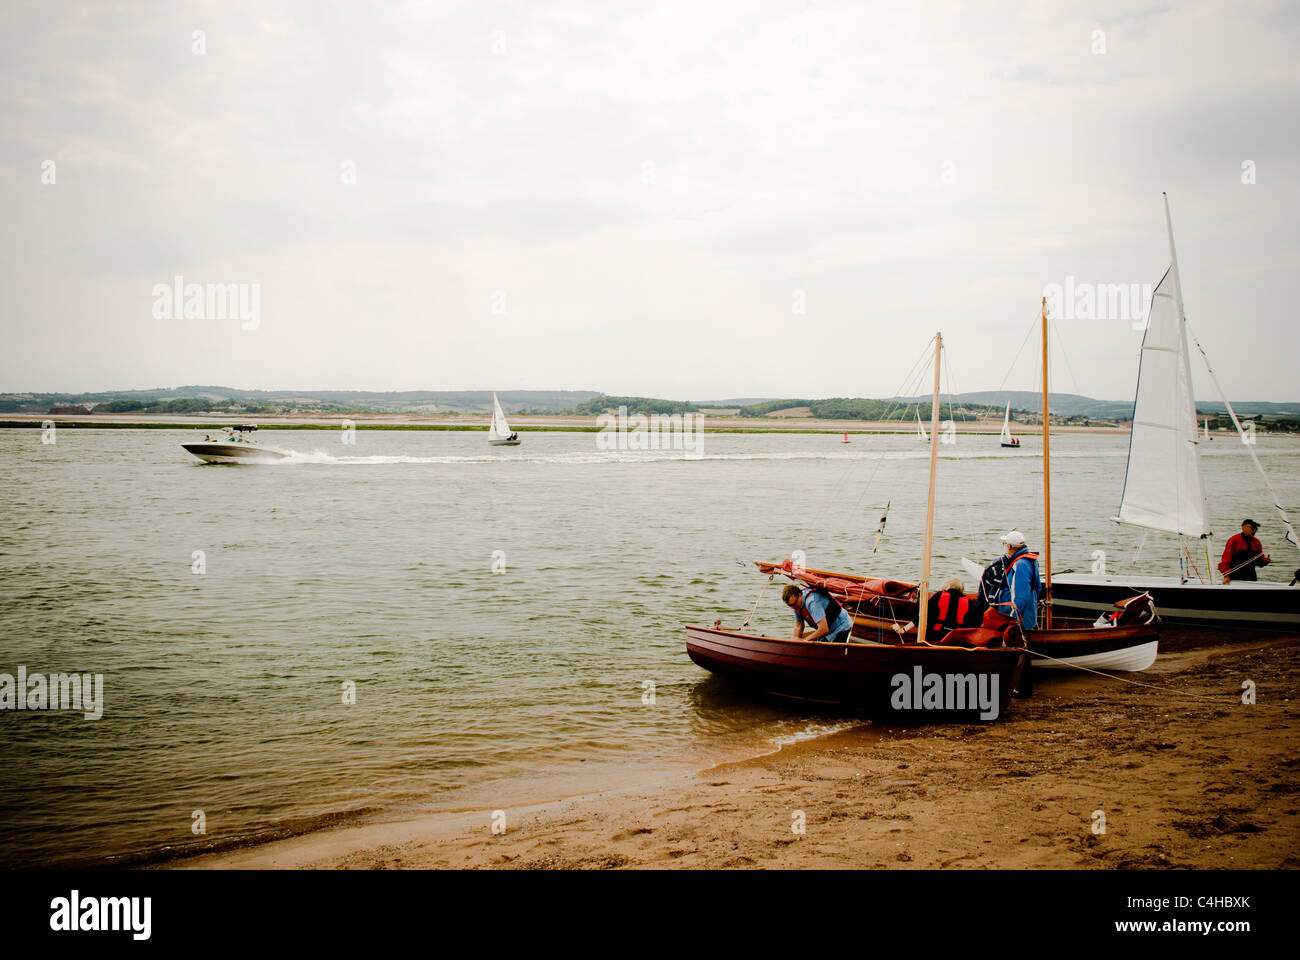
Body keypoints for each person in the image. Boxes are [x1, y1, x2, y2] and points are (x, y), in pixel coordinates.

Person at [993, 530, 1039, 630]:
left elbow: (1020, 598)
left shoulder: (1020, 565)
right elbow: (1037, 588)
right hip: (1026, 617)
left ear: (1009, 546)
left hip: (1017, 624)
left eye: (1005, 544)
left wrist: (1012, 622)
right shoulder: (1030, 561)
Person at [783, 583, 853, 643]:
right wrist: (794, 640)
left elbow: (823, 629)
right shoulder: (796, 605)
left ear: (800, 595)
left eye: (794, 604)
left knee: (825, 651)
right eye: (790, 605)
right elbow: (799, 625)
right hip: (827, 630)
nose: (793, 608)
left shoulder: (813, 603)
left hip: (841, 627)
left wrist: (805, 641)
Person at [925, 576, 980, 640]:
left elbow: (925, 615)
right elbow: (975, 624)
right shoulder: (969, 602)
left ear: (946, 586)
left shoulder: (938, 596)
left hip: (935, 636)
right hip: (958, 639)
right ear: (961, 588)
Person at [1219, 519, 1270, 583]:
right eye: (1253, 528)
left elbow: (1259, 561)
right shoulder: (1234, 540)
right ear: (1244, 528)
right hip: (1235, 577)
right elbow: (1226, 559)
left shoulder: (1256, 542)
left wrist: (1265, 561)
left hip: (1251, 577)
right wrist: (1226, 575)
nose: (1254, 531)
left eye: (1256, 529)